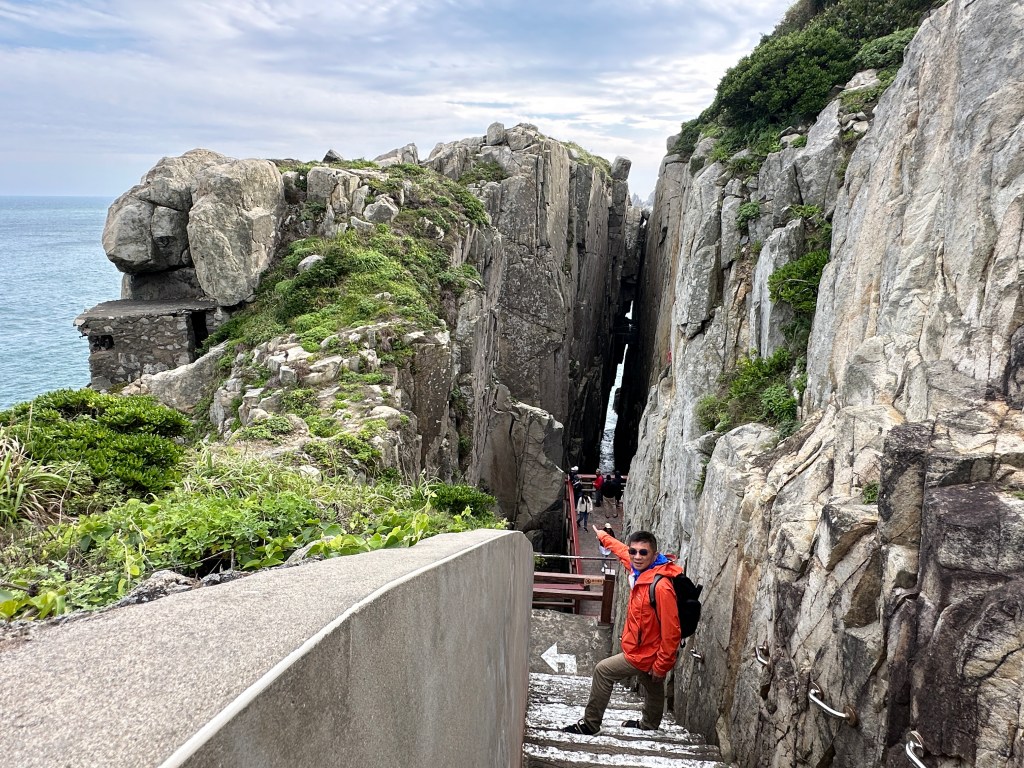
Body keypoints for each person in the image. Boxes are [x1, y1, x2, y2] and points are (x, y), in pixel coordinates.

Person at [562, 526, 682, 735]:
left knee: (603, 671)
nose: (637, 556)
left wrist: (662, 665)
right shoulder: (639, 569)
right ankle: (650, 725)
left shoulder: (661, 587)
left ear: (654, 555)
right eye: (633, 551)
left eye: (643, 552)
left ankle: (590, 724)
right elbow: (620, 550)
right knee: (651, 682)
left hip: (644, 653)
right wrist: (603, 536)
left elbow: (672, 631)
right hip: (645, 647)